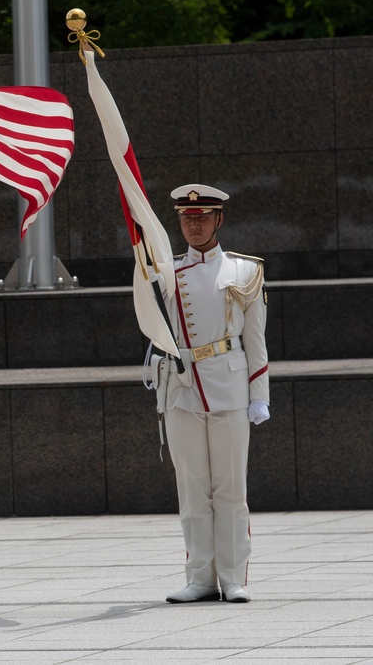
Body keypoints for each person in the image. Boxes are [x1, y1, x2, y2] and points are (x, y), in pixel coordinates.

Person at [156, 184, 269, 604]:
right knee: (193, 487)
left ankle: (233, 576)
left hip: (229, 385)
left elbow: (255, 340)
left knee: (230, 488)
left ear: (219, 220)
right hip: (181, 387)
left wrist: (261, 395)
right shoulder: (166, 273)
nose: (195, 224)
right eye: (187, 218)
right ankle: (200, 577)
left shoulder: (244, 271)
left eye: (203, 217)